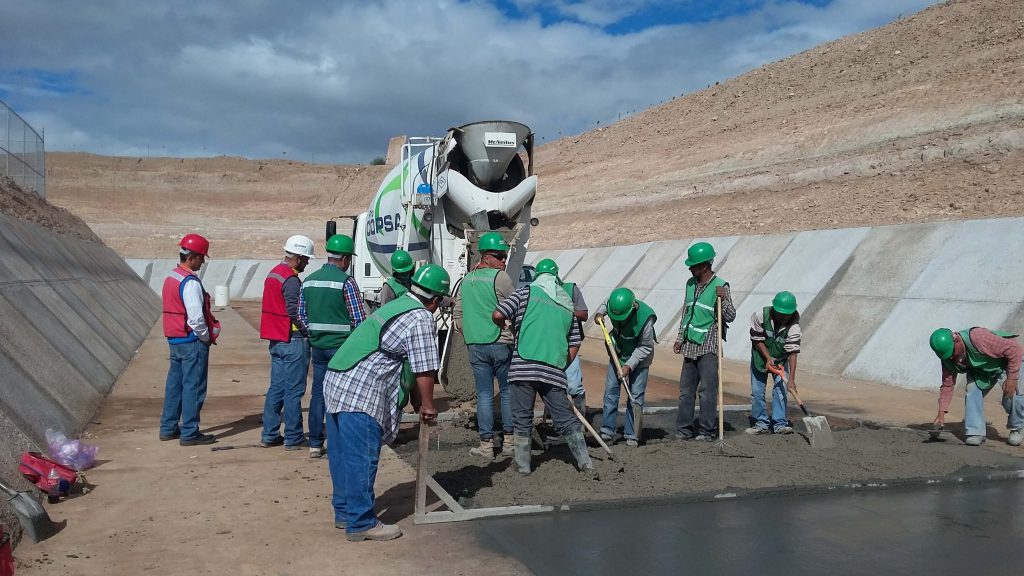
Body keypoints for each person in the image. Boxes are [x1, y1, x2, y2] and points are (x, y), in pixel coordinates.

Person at [323, 263, 450, 542]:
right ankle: (361, 523)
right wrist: (428, 405)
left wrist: (417, 400)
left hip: (337, 380)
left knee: (342, 454)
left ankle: (344, 511)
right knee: (362, 456)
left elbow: (409, 361)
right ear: (436, 300)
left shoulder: (399, 303)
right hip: (360, 389)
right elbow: (424, 369)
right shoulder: (420, 318)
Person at [493, 263, 598, 479]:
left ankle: (523, 466)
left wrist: (509, 327)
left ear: (538, 277)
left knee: (522, 418)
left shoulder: (525, 293)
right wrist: (561, 365)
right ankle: (586, 463)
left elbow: (497, 314)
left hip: (523, 366)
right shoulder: (567, 305)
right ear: (557, 278)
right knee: (565, 418)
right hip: (553, 371)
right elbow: (575, 343)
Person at [299, 234, 367, 459]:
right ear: (346, 259)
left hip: (318, 348)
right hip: (342, 349)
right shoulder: (346, 282)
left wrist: (315, 335)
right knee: (343, 395)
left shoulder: (308, 280)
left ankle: (315, 443)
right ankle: (340, 442)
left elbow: (301, 315)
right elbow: (359, 320)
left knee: (318, 393)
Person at [453, 232, 516, 458]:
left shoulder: (466, 280)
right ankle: (509, 443)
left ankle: (486, 446)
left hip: (475, 345)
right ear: (486, 256)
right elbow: (514, 307)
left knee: (484, 395)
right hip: (500, 343)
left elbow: (457, 313)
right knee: (507, 392)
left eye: (505, 256)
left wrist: (469, 332)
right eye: (500, 256)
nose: (503, 260)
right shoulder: (501, 278)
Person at [159, 234, 221, 446]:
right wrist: (204, 337)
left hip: (174, 339)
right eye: (201, 258)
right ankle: (190, 432)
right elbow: (195, 317)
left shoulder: (171, 277)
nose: (202, 262)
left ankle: (168, 427)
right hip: (191, 341)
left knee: (174, 386)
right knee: (193, 387)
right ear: (192, 257)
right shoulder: (190, 283)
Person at [673, 242, 736, 441]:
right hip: (690, 344)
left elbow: (731, 315)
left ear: (704, 266)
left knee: (707, 391)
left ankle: (706, 432)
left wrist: (723, 299)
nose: (690, 269)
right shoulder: (690, 284)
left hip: (708, 345)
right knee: (686, 391)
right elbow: (686, 312)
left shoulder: (721, 286)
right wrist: (680, 338)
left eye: (693, 265)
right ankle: (683, 430)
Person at [259, 235, 315, 450]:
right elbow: (294, 312)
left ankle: (269, 434)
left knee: (276, 388)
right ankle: (293, 437)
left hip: (276, 340)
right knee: (293, 391)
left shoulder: (274, 274)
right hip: (293, 340)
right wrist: (307, 331)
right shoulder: (291, 280)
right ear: (298, 258)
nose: (307, 263)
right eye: (306, 259)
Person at [930, 327, 1023, 446]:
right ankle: (975, 431)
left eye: (952, 352)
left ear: (957, 340)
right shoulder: (947, 358)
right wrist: (941, 414)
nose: (951, 357)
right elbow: (947, 385)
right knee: (972, 389)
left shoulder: (978, 338)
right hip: (982, 370)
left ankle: (1018, 427)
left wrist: (1012, 377)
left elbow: (1015, 349)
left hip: (1008, 363)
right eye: (947, 355)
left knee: (1012, 395)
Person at [594, 287, 656, 447]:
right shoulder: (615, 303)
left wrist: (629, 366)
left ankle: (632, 434)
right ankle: (607, 430)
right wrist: (600, 313)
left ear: (633, 306)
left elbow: (645, 347)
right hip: (618, 352)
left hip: (640, 358)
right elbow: (605, 304)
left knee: (635, 396)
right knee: (611, 392)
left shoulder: (646, 318)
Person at [535, 258, 590, 414]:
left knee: (573, 385)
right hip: (547, 346)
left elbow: (584, 314)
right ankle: (552, 420)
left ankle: (579, 422)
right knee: (550, 383)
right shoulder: (537, 291)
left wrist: (564, 310)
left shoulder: (570, 289)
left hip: (568, 344)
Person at [746, 291, 801, 435]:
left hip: (781, 360)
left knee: (781, 390)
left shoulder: (794, 327)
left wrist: (792, 380)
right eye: (781, 314)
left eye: (787, 314)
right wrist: (767, 357)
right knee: (757, 392)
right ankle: (761, 423)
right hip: (760, 357)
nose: (784, 317)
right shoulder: (759, 316)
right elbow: (757, 339)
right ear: (774, 309)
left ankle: (779, 424)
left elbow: (793, 353)